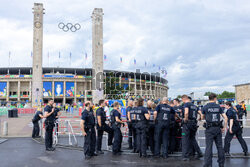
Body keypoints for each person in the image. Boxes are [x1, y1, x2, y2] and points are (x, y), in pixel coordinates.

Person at [202, 93, 228, 167]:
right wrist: (224, 127)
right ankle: (221, 163)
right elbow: (225, 118)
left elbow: (202, 117)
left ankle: (207, 164)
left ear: (209, 98)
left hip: (209, 129)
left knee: (208, 147)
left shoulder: (205, 107)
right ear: (215, 98)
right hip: (217, 128)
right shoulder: (218, 107)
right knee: (219, 147)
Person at [181, 95, 203, 161]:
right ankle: (199, 152)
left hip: (188, 123)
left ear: (184, 99)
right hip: (194, 123)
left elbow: (186, 112)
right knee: (192, 139)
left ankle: (185, 156)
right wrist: (199, 118)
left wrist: (185, 119)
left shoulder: (186, 104)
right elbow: (201, 114)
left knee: (185, 139)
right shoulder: (195, 106)